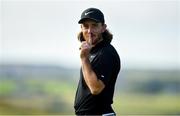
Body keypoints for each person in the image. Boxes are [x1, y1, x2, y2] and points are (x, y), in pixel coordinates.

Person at [74, 8, 121, 115]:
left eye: (94, 25)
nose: (89, 31)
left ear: (103, 28)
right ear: (81, 28)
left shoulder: (106, 53)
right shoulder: (92, 51)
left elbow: (96, 88)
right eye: (85, 26)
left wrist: (84, 58)